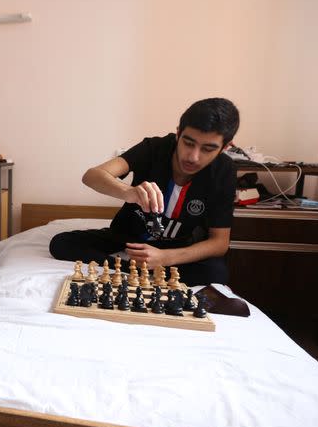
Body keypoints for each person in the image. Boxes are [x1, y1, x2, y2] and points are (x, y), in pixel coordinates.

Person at [49, 98, 240, 286]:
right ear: (178, 133)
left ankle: (134, 267)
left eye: (208, 149)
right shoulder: (154, 148)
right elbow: (92, 176)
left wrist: (165, 258)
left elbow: (219, 243)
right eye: (188, 143)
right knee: (61, 244)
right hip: (127, 239)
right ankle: (130, 268)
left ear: (225, 147)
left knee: (216, 273)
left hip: (178, 247)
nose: (193, 157)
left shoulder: (224, 171)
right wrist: (128, 192)